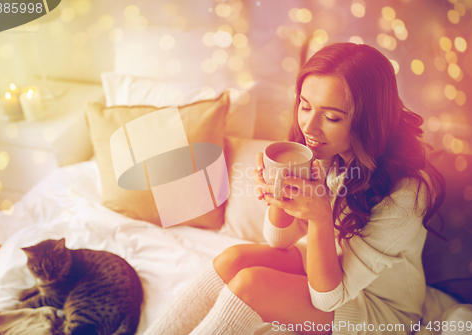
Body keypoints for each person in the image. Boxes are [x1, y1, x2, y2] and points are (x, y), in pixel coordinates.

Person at [145, 42, 445, 335]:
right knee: (232, 260)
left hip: (379, 309)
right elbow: (279, 241)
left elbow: (328, 298)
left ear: (368, 119)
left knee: (252, 287)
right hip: (329, 269)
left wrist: (319, 218)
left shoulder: (406, 193)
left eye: (331, 117)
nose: (309, 128)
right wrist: (279, 195)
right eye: (305, 106)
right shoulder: (326, 150)